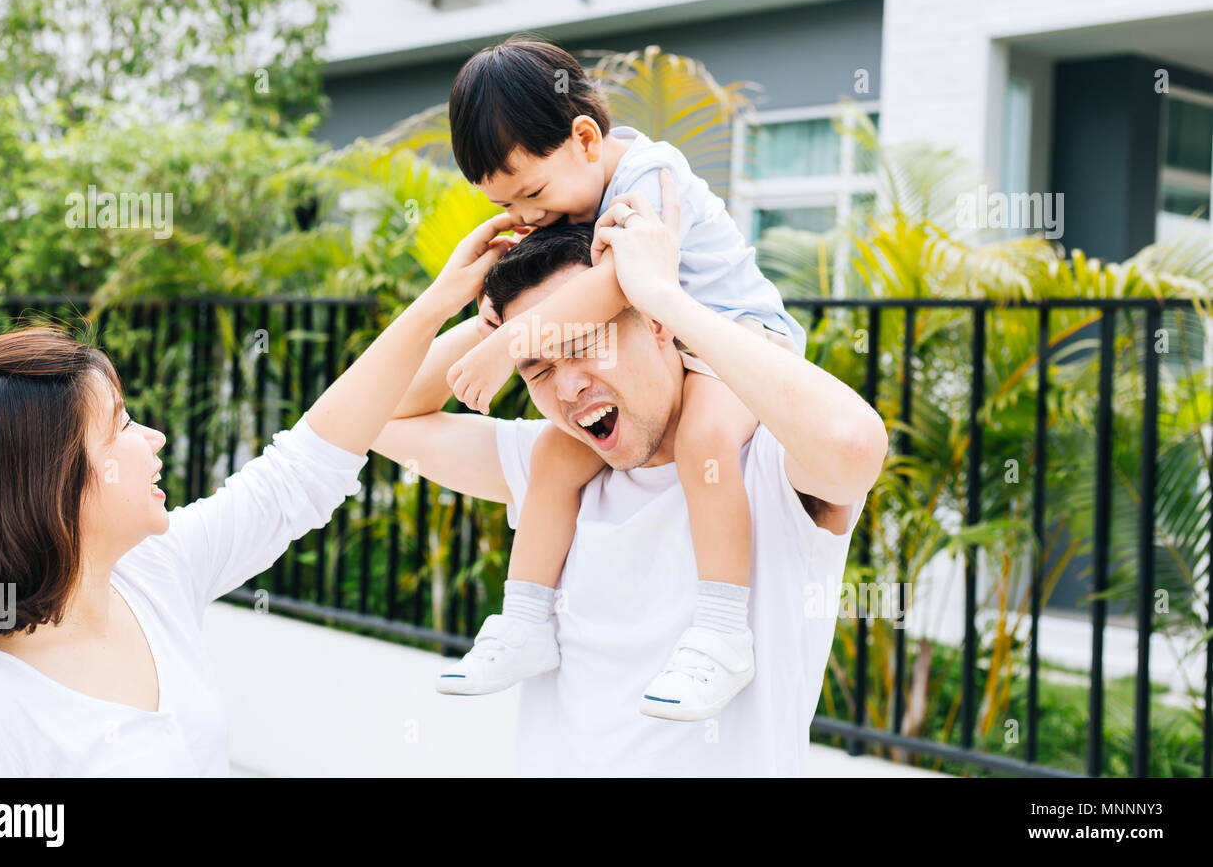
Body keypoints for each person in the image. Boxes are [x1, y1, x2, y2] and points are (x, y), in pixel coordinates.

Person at [0, 219, 511, 776]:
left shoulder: (150, 574)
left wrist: (447, 306)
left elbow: (300, 472)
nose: (155, 439)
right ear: (55, 481)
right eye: (122, 425)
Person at [375, 176, 888, 776]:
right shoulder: (554, 471)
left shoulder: (764, 460)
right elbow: (373, 416)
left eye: (585, 338)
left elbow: (853, 447)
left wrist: (664, 294)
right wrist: (484, 320)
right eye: (538, 367)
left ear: (656, 324)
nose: (568, 387)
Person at [436, 36, 809, 720]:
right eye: (510, 206)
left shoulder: (647, 171)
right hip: (667, 349)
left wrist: (510, 344)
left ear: (584, 137)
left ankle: (724, 631)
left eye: (533, 194)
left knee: (703, 440)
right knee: (553, 455)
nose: (527, 218)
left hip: (740, 341)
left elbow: (626, 282)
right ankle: (524, 619)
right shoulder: (570, 199)